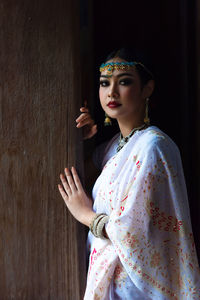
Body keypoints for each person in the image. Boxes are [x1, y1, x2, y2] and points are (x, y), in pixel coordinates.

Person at [58, 48, 200, 299]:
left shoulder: (154, 146)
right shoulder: (114, 146)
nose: (111, 92)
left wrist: (86, 216)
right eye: (104, 83)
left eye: (124, 81)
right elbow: (81, 181)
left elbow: (134, 231)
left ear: (147, 88)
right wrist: (85, 141)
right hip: (110, 282)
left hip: (135, 287)